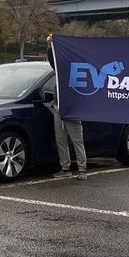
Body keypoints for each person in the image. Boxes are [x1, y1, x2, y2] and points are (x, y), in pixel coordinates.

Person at [46, 34, 88, 180]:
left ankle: (82, 169)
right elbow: (53, 61)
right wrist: (50, 46)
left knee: (77, 140)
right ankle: (65, 168)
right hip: (58, 107)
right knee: (60, 140)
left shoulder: (79, 71)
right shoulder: (60, 69)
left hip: (72, 109)